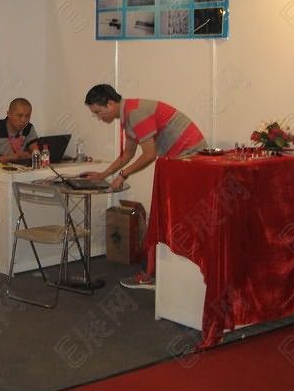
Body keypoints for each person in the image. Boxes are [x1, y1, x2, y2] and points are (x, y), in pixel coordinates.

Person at [82, 83, 207, 289]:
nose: (98, 117)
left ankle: (152, 275)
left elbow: (149, 155)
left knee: (164, 220)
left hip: (189, 162)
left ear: (110, 104)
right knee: (163, 219)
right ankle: (154, 273)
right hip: (180, 161)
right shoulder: (128, 113)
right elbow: (128, 154)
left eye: (98, 112)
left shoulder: (135, 113)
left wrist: (123, 175)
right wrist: (103, 175)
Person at [0, 97, 40, 164]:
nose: (23, 120)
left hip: (20, 169)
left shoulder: (28, 128)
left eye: (27, 116)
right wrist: (12, 157)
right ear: (9, 114)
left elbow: (37, 155)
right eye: (19, 115)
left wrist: (31, 155)